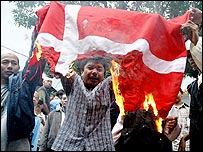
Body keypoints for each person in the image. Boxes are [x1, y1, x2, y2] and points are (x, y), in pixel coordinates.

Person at [51, 56, 116, 151]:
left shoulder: (110, 86)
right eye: (90, 68)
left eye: (99, 69)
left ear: (104, 73)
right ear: (82, 70)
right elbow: (62, 63)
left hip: (101, 145)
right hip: (67, 145)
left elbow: (124, 73)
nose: (94, 72)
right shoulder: (73, 82)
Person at [1, 52, 46, 151]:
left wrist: (38, 39)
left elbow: (34, 64)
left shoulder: (23, 85)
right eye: (5, 62)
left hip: (16, 144)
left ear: (18, 67)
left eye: (13, 63)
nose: (9, 66)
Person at [178, 9, 202, 151]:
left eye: (192, 53)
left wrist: (196, 40)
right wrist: (186, 137)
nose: (191, 58)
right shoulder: (193, 86)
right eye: (189, 55)